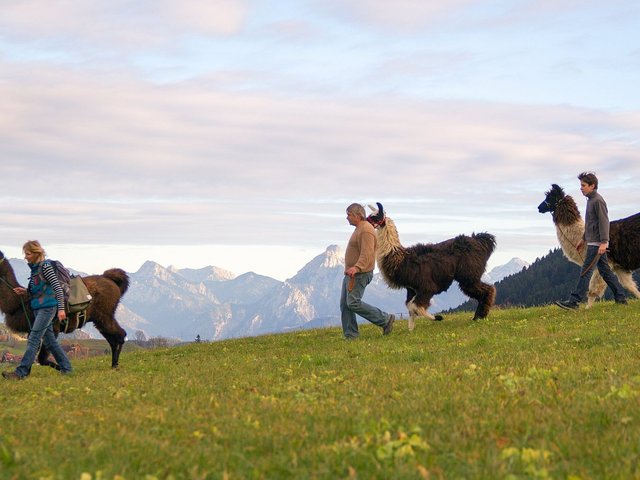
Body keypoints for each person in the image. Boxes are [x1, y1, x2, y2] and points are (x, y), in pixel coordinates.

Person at [555, 172, 628, 310]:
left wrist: (604, 243)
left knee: (586, 271)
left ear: (592, 186)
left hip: (596, 245)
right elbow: (590, 223)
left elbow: (604, 222)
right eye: (580, 185)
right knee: (605, 272)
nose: (581, 188)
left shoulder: (598, 201)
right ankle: (621, 297)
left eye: (583, 185)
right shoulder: (590, 200)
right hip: (591, 242)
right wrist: (583, 239)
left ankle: (574, 301)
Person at [2, 240, 73, 379]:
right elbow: (39, 289)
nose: (25, 257)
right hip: (38, 307)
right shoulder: (35, 269)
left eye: (28, 254)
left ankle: (20, 373)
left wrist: (61, 309)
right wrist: (24, 291)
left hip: (47, 308)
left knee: (34, 338)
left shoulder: (45, 267)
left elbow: (57, 288)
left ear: (36, 253)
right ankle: (67, 369)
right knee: (50, 342)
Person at [340, 203, 395, 338]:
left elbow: (367, 253)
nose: (347, 218)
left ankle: (385, 319)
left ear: (358, 216)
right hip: (352, 273)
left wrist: (357, 267)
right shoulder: (360, 228)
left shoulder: (366, 230)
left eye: (349, 215)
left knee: (353, 302)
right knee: (345, 304)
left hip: (360, 273)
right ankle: (351, 335)